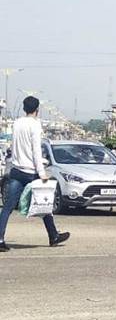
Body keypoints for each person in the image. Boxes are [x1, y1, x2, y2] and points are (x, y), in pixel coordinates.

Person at [0, 96, 70, 252]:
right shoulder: (35, 125)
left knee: (7, 208)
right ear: (37, 109)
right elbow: (36, 151)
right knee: (44, 203)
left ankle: (0, 238)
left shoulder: (17, 123)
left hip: (16, 170)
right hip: (31, 172)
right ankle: (53, 236)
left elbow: (15, 146)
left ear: (24, 108)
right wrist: (41, 172)